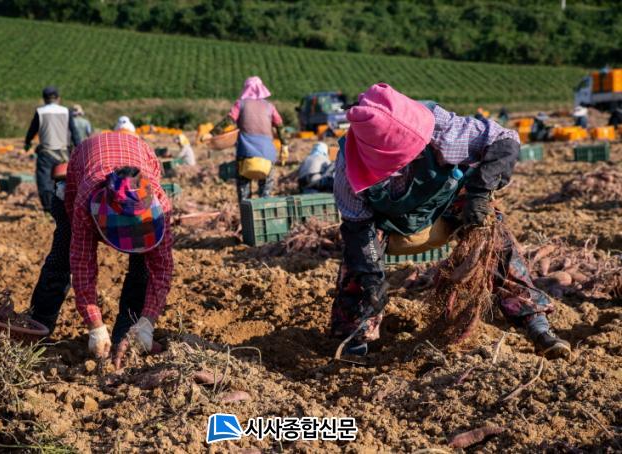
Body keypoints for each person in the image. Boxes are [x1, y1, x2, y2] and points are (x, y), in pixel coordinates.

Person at [331, 83, 570, 359]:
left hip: (447, 205)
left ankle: (536, 324)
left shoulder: (441, 128)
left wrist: (479, 194)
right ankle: (354, 340)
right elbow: (358, 227)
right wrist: (372, 279)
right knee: (359, 266)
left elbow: (505, 139)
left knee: (494, 236)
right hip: (389, 224)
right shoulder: (349, 167)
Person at [29, 132, 173, 366]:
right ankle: (37, 329)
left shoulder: (161, 204)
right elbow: (82, 265)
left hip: (138, 152)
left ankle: (127, 337)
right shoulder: (85, 202)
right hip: (82, 169)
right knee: (62, 257)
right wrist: (95, 325)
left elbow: (162, 269)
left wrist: (147, 321)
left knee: (143, 267)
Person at [216, 76, 288, 201]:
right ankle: (264, 210)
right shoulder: (270, 107)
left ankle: (246, 211)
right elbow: (279, 125)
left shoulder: (241, 104)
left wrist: (212, 133)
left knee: (244, 193)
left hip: (245, 154)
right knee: (265, 194)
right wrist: (284, 145)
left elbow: (229, 120)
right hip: (267, 155)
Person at [24, 86, 79, 213]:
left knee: (44, 181)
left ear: (44, 99)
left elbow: (32, 130)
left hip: (46, 154)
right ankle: (67, 206)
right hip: (64, 154)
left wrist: (27, 142)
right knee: (66, 181)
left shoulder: (40, 112)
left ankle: (48, 208)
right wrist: (79, 147)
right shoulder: (66, 111)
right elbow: (74, 132)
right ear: (58, 98)